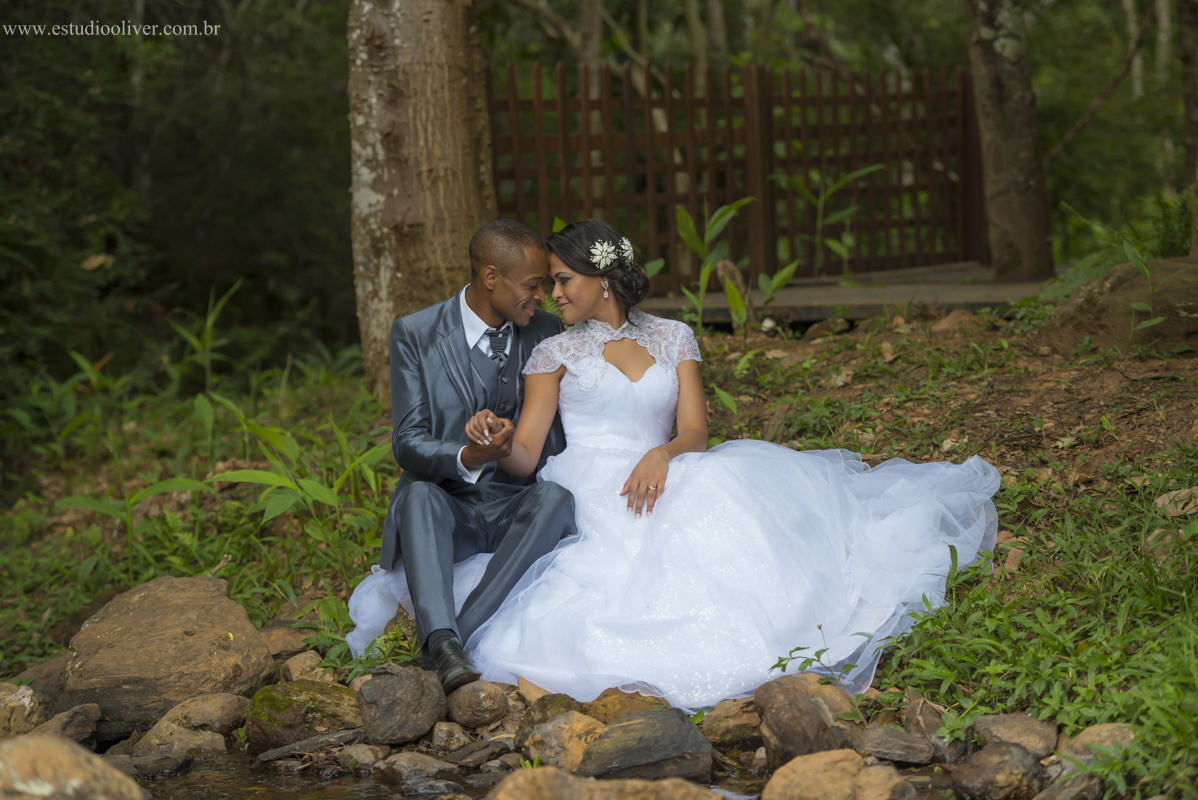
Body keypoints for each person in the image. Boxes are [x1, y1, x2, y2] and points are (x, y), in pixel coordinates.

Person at [457, 218, 1000, 712]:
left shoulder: (673, 337)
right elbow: (527, 457)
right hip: (588, 482)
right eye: (549, 282)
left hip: (667, 465)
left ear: (602, 280)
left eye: (563, 279)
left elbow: (694, 432)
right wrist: (498, 442)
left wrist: (661, 452)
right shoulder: (553, 353)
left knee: (720, 504)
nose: (552, 293)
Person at [345, 219, 577, 694]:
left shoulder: (550, 332)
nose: (543, 296)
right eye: (532, 285)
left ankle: (451, 641)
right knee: (417, 498)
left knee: (555, 497)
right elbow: (406, 440)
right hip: (453, 509)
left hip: (518, 503)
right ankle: (445, 640)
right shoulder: (416, 333)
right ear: (491, 277)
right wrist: (468, 453)